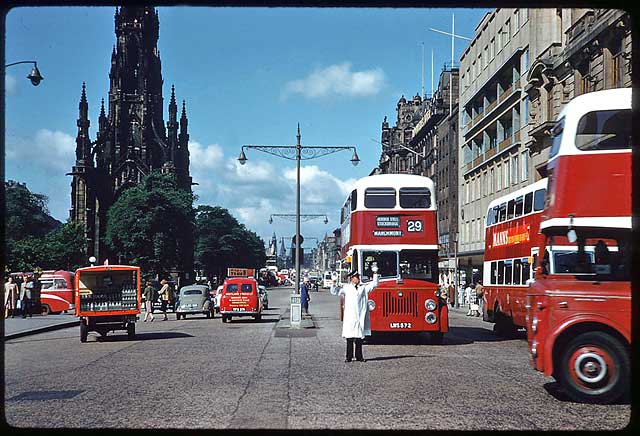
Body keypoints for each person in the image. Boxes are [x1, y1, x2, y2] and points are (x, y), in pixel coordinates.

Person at [330, 266, 380, 363]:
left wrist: (375, 273)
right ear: (352, 278)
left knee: (359, 339)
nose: (358, 279)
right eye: (356, 277)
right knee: (349, 338)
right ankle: (348, 357)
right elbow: (334, 291)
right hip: (350, 317)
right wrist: (334, 282)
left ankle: (359, 356)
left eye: (358, 277)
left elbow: (374, 285)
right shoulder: (347, 288)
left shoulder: (363, 288)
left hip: (360, 317)